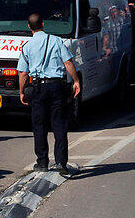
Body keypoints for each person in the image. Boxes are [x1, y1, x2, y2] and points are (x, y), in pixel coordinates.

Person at [17, 13, 81, 175]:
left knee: (39, 126)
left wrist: (22, 92)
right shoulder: (56, 41)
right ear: (43, 24)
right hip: (56, 86)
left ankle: (42, 162)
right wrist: (76, 81)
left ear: (29, 27)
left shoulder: (27, 46)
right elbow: (68, 62)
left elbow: (23, 74)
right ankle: (60, 161)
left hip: (38, 88)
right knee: (59, 124)